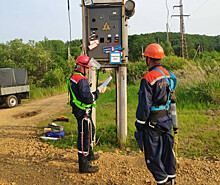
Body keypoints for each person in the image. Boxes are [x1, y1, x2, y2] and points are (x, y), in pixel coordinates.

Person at [135, 44, 177, 185]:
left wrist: (139, 124)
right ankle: (171, 180)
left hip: (153, 123)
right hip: (166, 120)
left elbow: (144, 105)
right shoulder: (168, 75)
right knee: (167, 154)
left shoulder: (148, 77)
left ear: (149, 59)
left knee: (153, 159)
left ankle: (163, 182)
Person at [67, 55, 105, 173]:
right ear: (81, 67)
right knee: (84, 136)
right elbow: (88, 98)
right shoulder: (81, 79)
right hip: (83, 111)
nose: (88, 70)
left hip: (79, 110)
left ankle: (89, 154)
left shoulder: (73, 77)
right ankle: (83, 165)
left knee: (90, 130)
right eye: (87, 68)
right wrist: (98, 92)